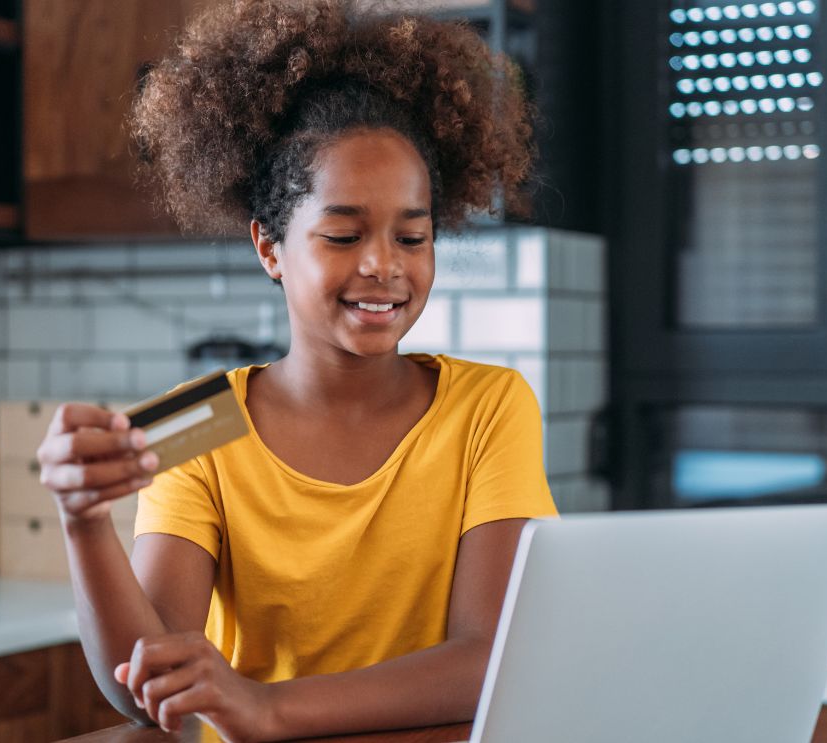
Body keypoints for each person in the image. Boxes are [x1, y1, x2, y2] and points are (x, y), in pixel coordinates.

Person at [35, 1, 556, 740]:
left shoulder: (488, 407)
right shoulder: (198, 421)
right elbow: (147, 684)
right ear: (269, 247)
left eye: (413, 235)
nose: (383, 264)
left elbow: (490, 657)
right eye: (342, 234)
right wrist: (81, 521)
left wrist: (268, 705)